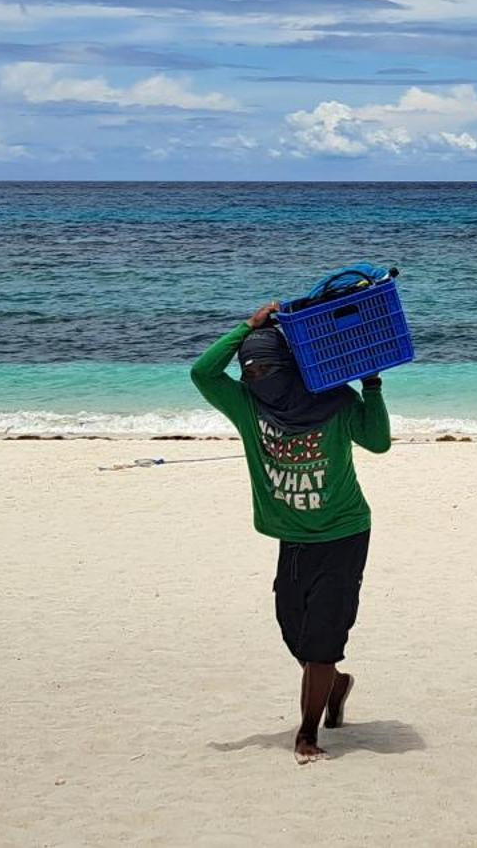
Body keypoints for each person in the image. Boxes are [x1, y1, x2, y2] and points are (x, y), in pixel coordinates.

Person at [191, 301, 392, 762]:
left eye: (265, 367)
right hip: (294, 538)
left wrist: (373, 386)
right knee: (292, 631)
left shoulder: (336, 400)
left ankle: (307, 734)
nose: (257, 377)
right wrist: (246, 328)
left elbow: (378, 442)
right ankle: (335, 686)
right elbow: (202, 373)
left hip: (343, 534)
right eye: (249, 370)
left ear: (288, 367)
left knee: (322, 640)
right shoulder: (246, 407)